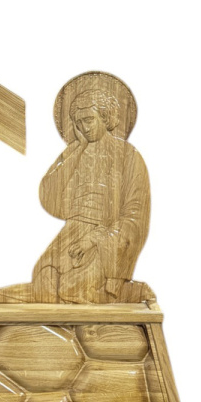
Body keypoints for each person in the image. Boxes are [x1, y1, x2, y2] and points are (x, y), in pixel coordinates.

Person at [32, 88, 150, 303]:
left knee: (69, 289)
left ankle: (132, 291)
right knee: (43, 282)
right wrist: (78, 150)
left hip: (106, 240)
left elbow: (135, 215)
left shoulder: (129, 156)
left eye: (89, 120)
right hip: (72, 231)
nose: (84, 128)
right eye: (79, 123)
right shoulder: (74, 152)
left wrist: (94, 239)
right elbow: (49, 196)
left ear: (105, 117)